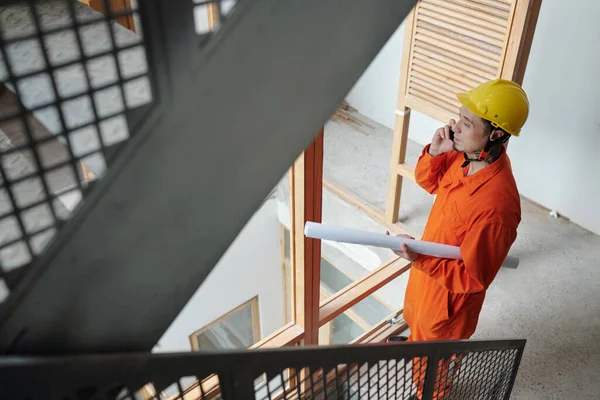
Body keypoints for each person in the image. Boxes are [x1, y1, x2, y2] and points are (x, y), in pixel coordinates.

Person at [387, 79, 529, 399]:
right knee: (414, 321)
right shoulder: (463, 154)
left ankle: (433, 394)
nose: (455, 128)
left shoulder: (498, 207)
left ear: (496, 134)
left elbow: (473, 277)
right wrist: (435, 151)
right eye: (459, 117)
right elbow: (429, 182)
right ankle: (413, 346)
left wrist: (420, 258)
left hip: (447, 303)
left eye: (466, 123)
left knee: (433, 365)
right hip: (425, 282)